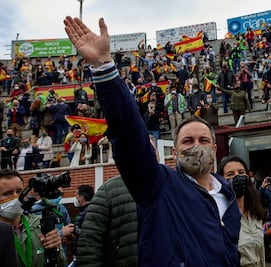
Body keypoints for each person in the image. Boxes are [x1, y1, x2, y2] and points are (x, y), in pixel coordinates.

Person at [64, 16, 241, 266]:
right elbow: (128, 135)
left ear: (214, 149)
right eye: (187, 140)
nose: (196, 145)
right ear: (175, 150)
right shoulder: (158, 185)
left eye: (203, 140)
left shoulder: (228, 192)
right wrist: (104, 67)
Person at [77, 136, 159, 266]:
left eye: (150, 149)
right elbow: (89, 247)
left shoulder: (175, 187)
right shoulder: (107, 192)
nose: (145, 154)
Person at [0, 169, 65, 266]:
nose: (16, 197)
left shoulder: (40, 224)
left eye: (19, 191)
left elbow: (61, 263)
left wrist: (56, 248)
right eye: (7, 193)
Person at [218, 155, 266, 267]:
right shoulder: (221, 219)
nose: (237, 177)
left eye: (241, 172)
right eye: (230, 174)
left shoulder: (255, 214)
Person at [67, 184, 94, 266]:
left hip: (84, 255)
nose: (76, 199)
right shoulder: (83, 212)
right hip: (80, 254)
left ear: (82, 197)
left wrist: (74, 230)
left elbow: (90, 234)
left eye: (77, 196)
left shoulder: (89, 212)